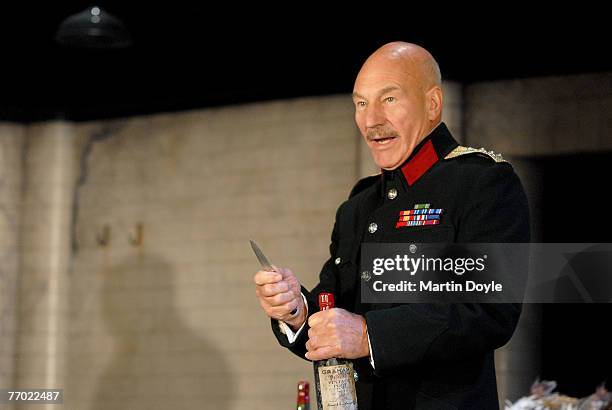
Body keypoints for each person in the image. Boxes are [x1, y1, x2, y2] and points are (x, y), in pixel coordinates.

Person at [253, 41, 530, 409]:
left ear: (432, 104)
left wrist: (369, 335)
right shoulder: (357, 206)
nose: (370, 121)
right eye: (361, 103)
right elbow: (335, 308)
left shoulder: (481, 183)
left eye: (389, 99)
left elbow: (488, 311)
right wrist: (297, 309)